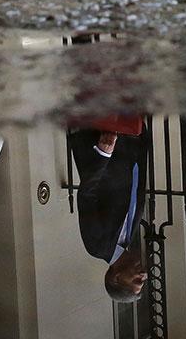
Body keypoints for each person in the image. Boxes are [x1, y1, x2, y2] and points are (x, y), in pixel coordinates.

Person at [68, 127, 149, 302]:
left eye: (136, 280)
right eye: (143, 279)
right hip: (129, 138)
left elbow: (86, 195)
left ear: (116, 278)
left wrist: (102, 156)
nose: (143, 274)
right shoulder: (127, 238)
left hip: (98, 135)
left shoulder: (97, 246)